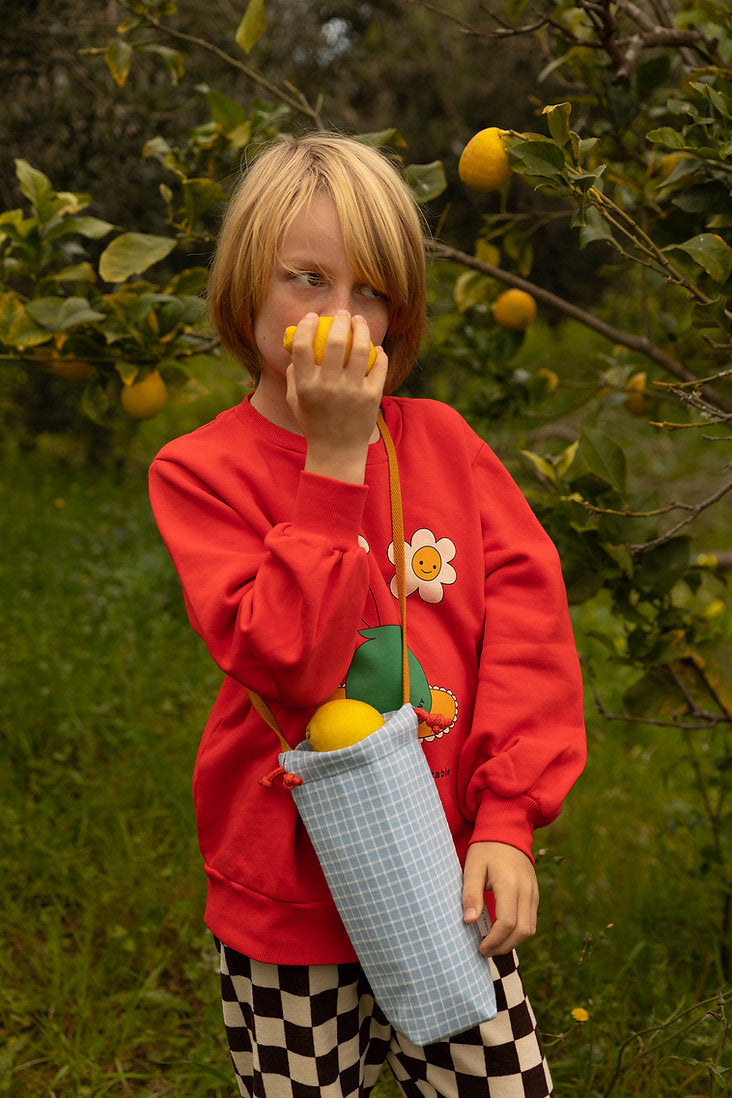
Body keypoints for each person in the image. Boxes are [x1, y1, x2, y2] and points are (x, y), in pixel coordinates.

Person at [149, 132, 586, 1098]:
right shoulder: (199, 474)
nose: (341, 316)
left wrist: (507, 822)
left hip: (445, 881)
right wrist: (336, 461)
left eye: (372, 291)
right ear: (245, 288)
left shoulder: (445, 446)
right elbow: (292, 662)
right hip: (287, 902)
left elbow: (527, 632)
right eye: (307, 278)